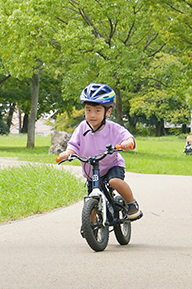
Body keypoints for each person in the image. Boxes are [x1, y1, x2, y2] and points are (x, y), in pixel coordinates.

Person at [58, 83, 142, 220]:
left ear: (107, 112)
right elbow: (73, 144)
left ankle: (132, 203)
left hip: (112, 165)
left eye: (97, 111)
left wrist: (128, 142)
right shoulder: (81, 128)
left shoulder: (112, 128)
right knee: (91, 199)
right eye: (88, 110)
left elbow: (127, 136)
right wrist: (68, 153)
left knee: (114, 181)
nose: (92, 115)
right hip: (92, 170)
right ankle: (91, 227)